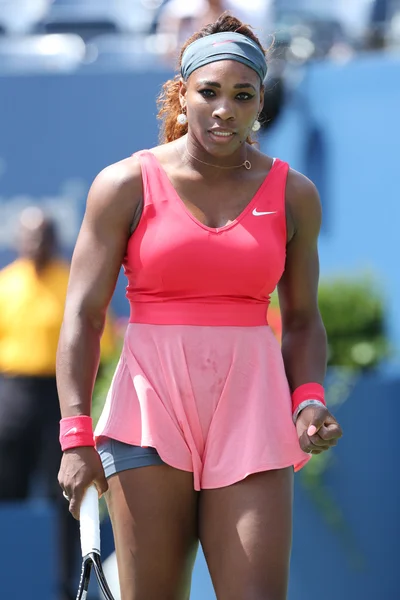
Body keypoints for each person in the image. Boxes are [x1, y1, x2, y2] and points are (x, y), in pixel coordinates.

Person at [57, 13, 342, 600]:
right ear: (181, 95)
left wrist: (308, 399)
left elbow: (304, 320)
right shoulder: (123, 184)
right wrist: (75, 435)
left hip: (254, 411)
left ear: (260, 102)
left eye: (242, 96)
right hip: (148, 408)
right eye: (208, 92)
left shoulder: (295, 194)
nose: (224, 110)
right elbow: (83, 319)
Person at [0, 206, 116, 600]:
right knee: (6, 489)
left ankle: (68, 585)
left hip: (59, 400)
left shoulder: (72, 284)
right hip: (11, 396)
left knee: (65, 494)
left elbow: (101, 344)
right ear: (18, 240)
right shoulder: (5, 285)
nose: (36, 243)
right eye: (29, 236)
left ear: (55, 240)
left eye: (44, 236)